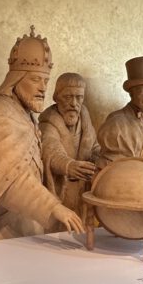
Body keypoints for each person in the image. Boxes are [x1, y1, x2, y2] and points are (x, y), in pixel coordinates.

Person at [0, 28, 85, 241]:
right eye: (36, 79)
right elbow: (9, 181)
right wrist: (53, 207)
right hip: (2, 228)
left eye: (46, 81)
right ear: (16, 78)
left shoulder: (26, 114)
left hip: (29, 223)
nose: (43, 88)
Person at [38, 72, 99, 217]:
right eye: (68, 97)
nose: (74, 103)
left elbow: (94, 147)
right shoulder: (48, 123)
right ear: (56, 97)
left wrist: (99, 159)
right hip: (60, 192)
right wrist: (68, 165)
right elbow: (51, 151)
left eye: (79, 97)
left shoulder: (85, 120)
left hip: (83, 192)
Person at [97, 56, 143, 166]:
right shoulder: (115, 121)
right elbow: (106, 162)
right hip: (123, 176)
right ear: (131, 93)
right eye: (142, 92)